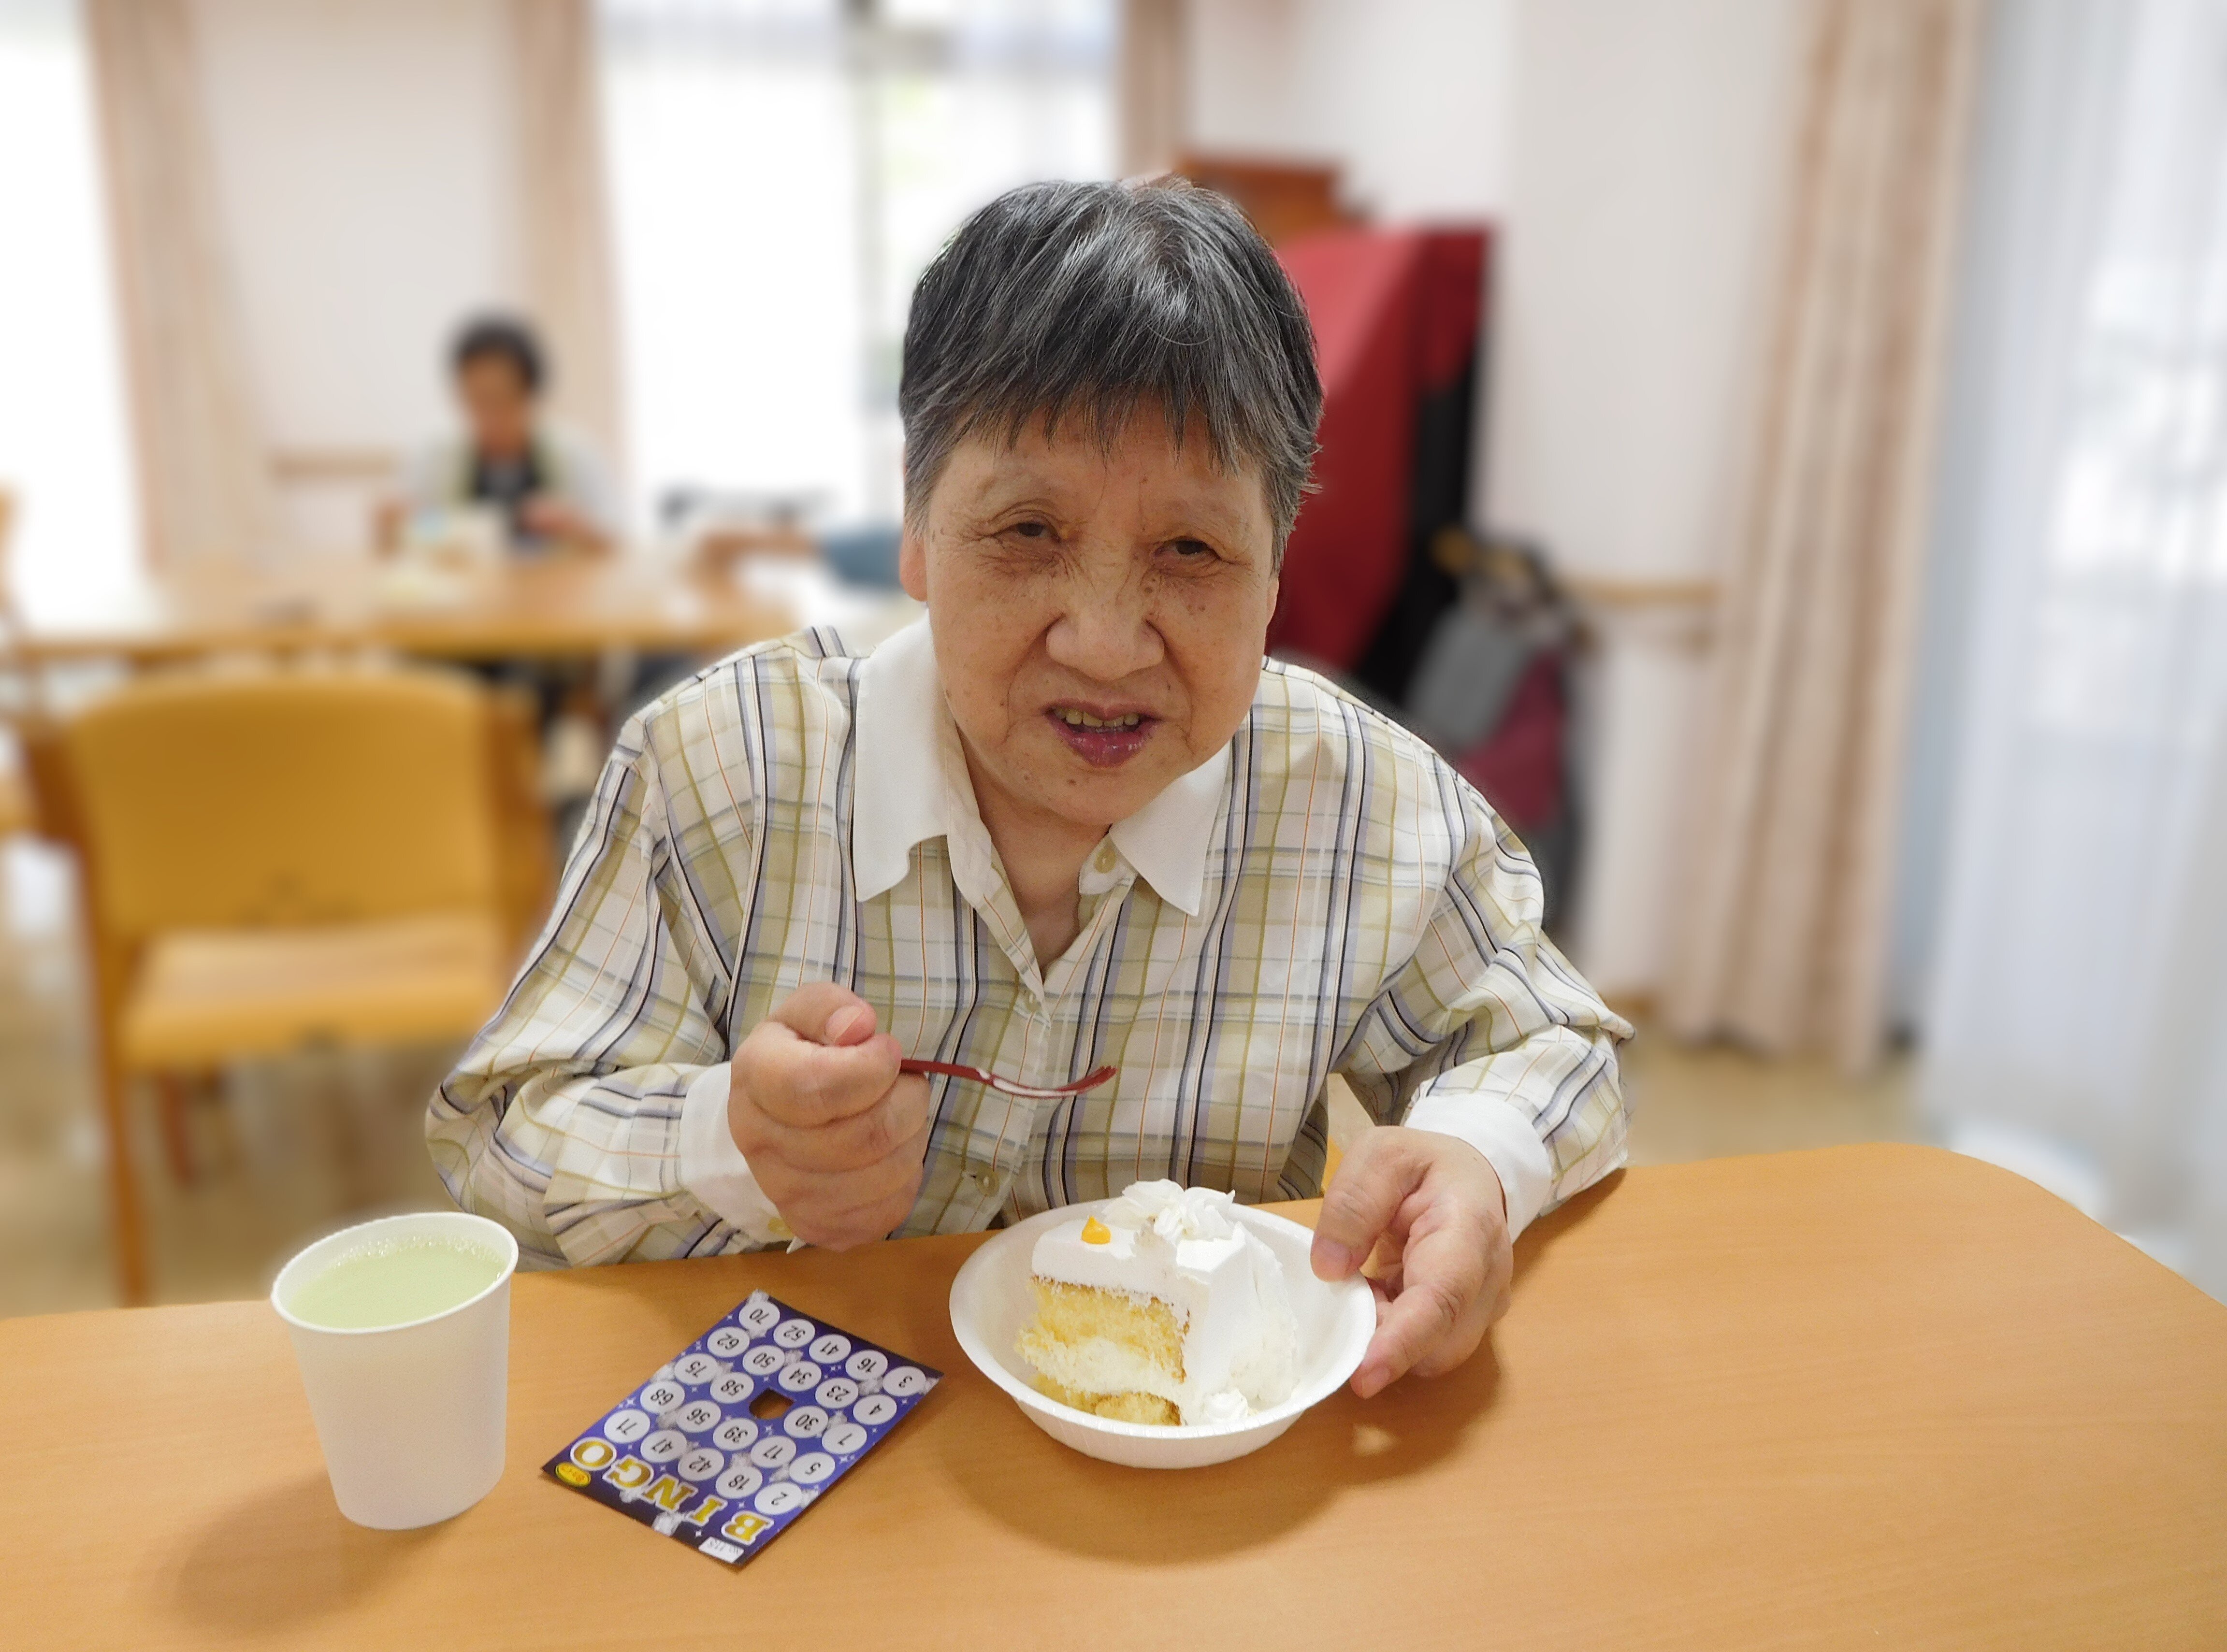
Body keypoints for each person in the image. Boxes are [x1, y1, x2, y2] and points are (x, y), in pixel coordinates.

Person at [429, 179, 1630, 1400]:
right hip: (806, 1444)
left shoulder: (1359, 801)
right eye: (1027, 532)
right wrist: (727, 1143)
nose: (1105, 643)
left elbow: (1550, 1039)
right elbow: (504, 1132)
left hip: (1196, 1466)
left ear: (1275, 570)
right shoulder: (719, 768)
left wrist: (1480, 1158)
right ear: (915, 523)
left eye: (1192, 550)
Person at [377, 315, 618, 555]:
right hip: (463, 580)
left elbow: (618, 542)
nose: (490, 417)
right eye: (477, 400)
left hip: (558, 579)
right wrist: (399, 524)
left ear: (532, 394)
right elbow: (426, 529)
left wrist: (575, 525)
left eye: (503, 399)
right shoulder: (436, 456)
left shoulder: (573, 454)